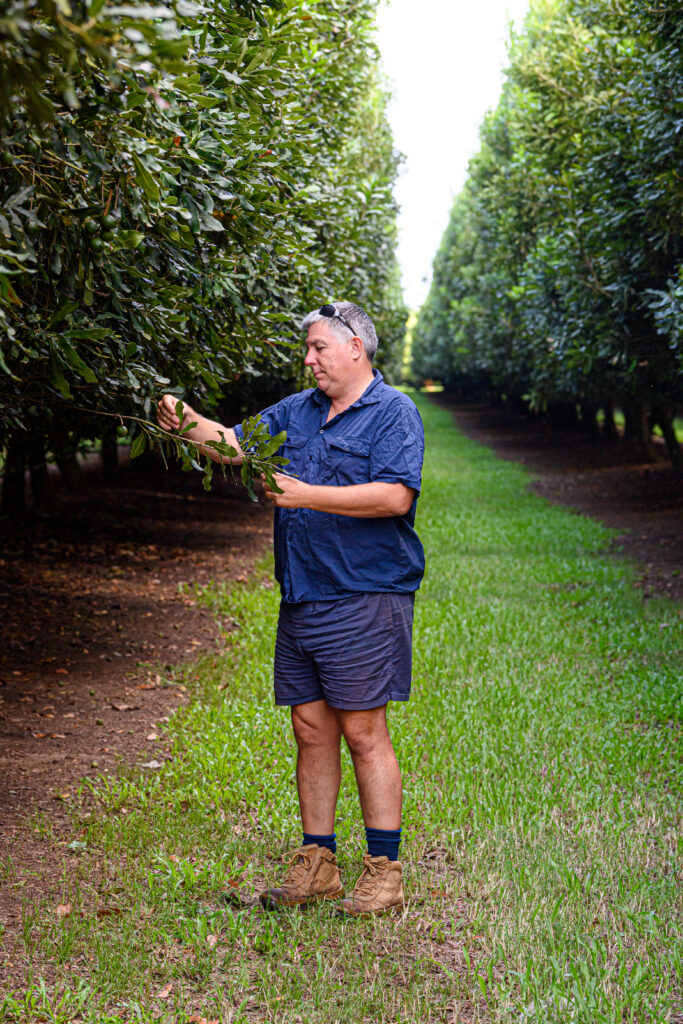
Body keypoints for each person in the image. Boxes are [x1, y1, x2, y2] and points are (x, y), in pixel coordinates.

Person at [157, 301, 425, 917]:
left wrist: (307, 495)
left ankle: (384, 871)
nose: (308, 360)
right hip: (302, 594)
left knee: (362, 729)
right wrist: (187, 420)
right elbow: (233, 446)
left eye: (318, 348)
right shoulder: (297, 412)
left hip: (365, 593)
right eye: (307, 350)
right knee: (310, 729)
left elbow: (393, 495)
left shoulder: (394, 413)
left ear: (355, 347)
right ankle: (318, 863)